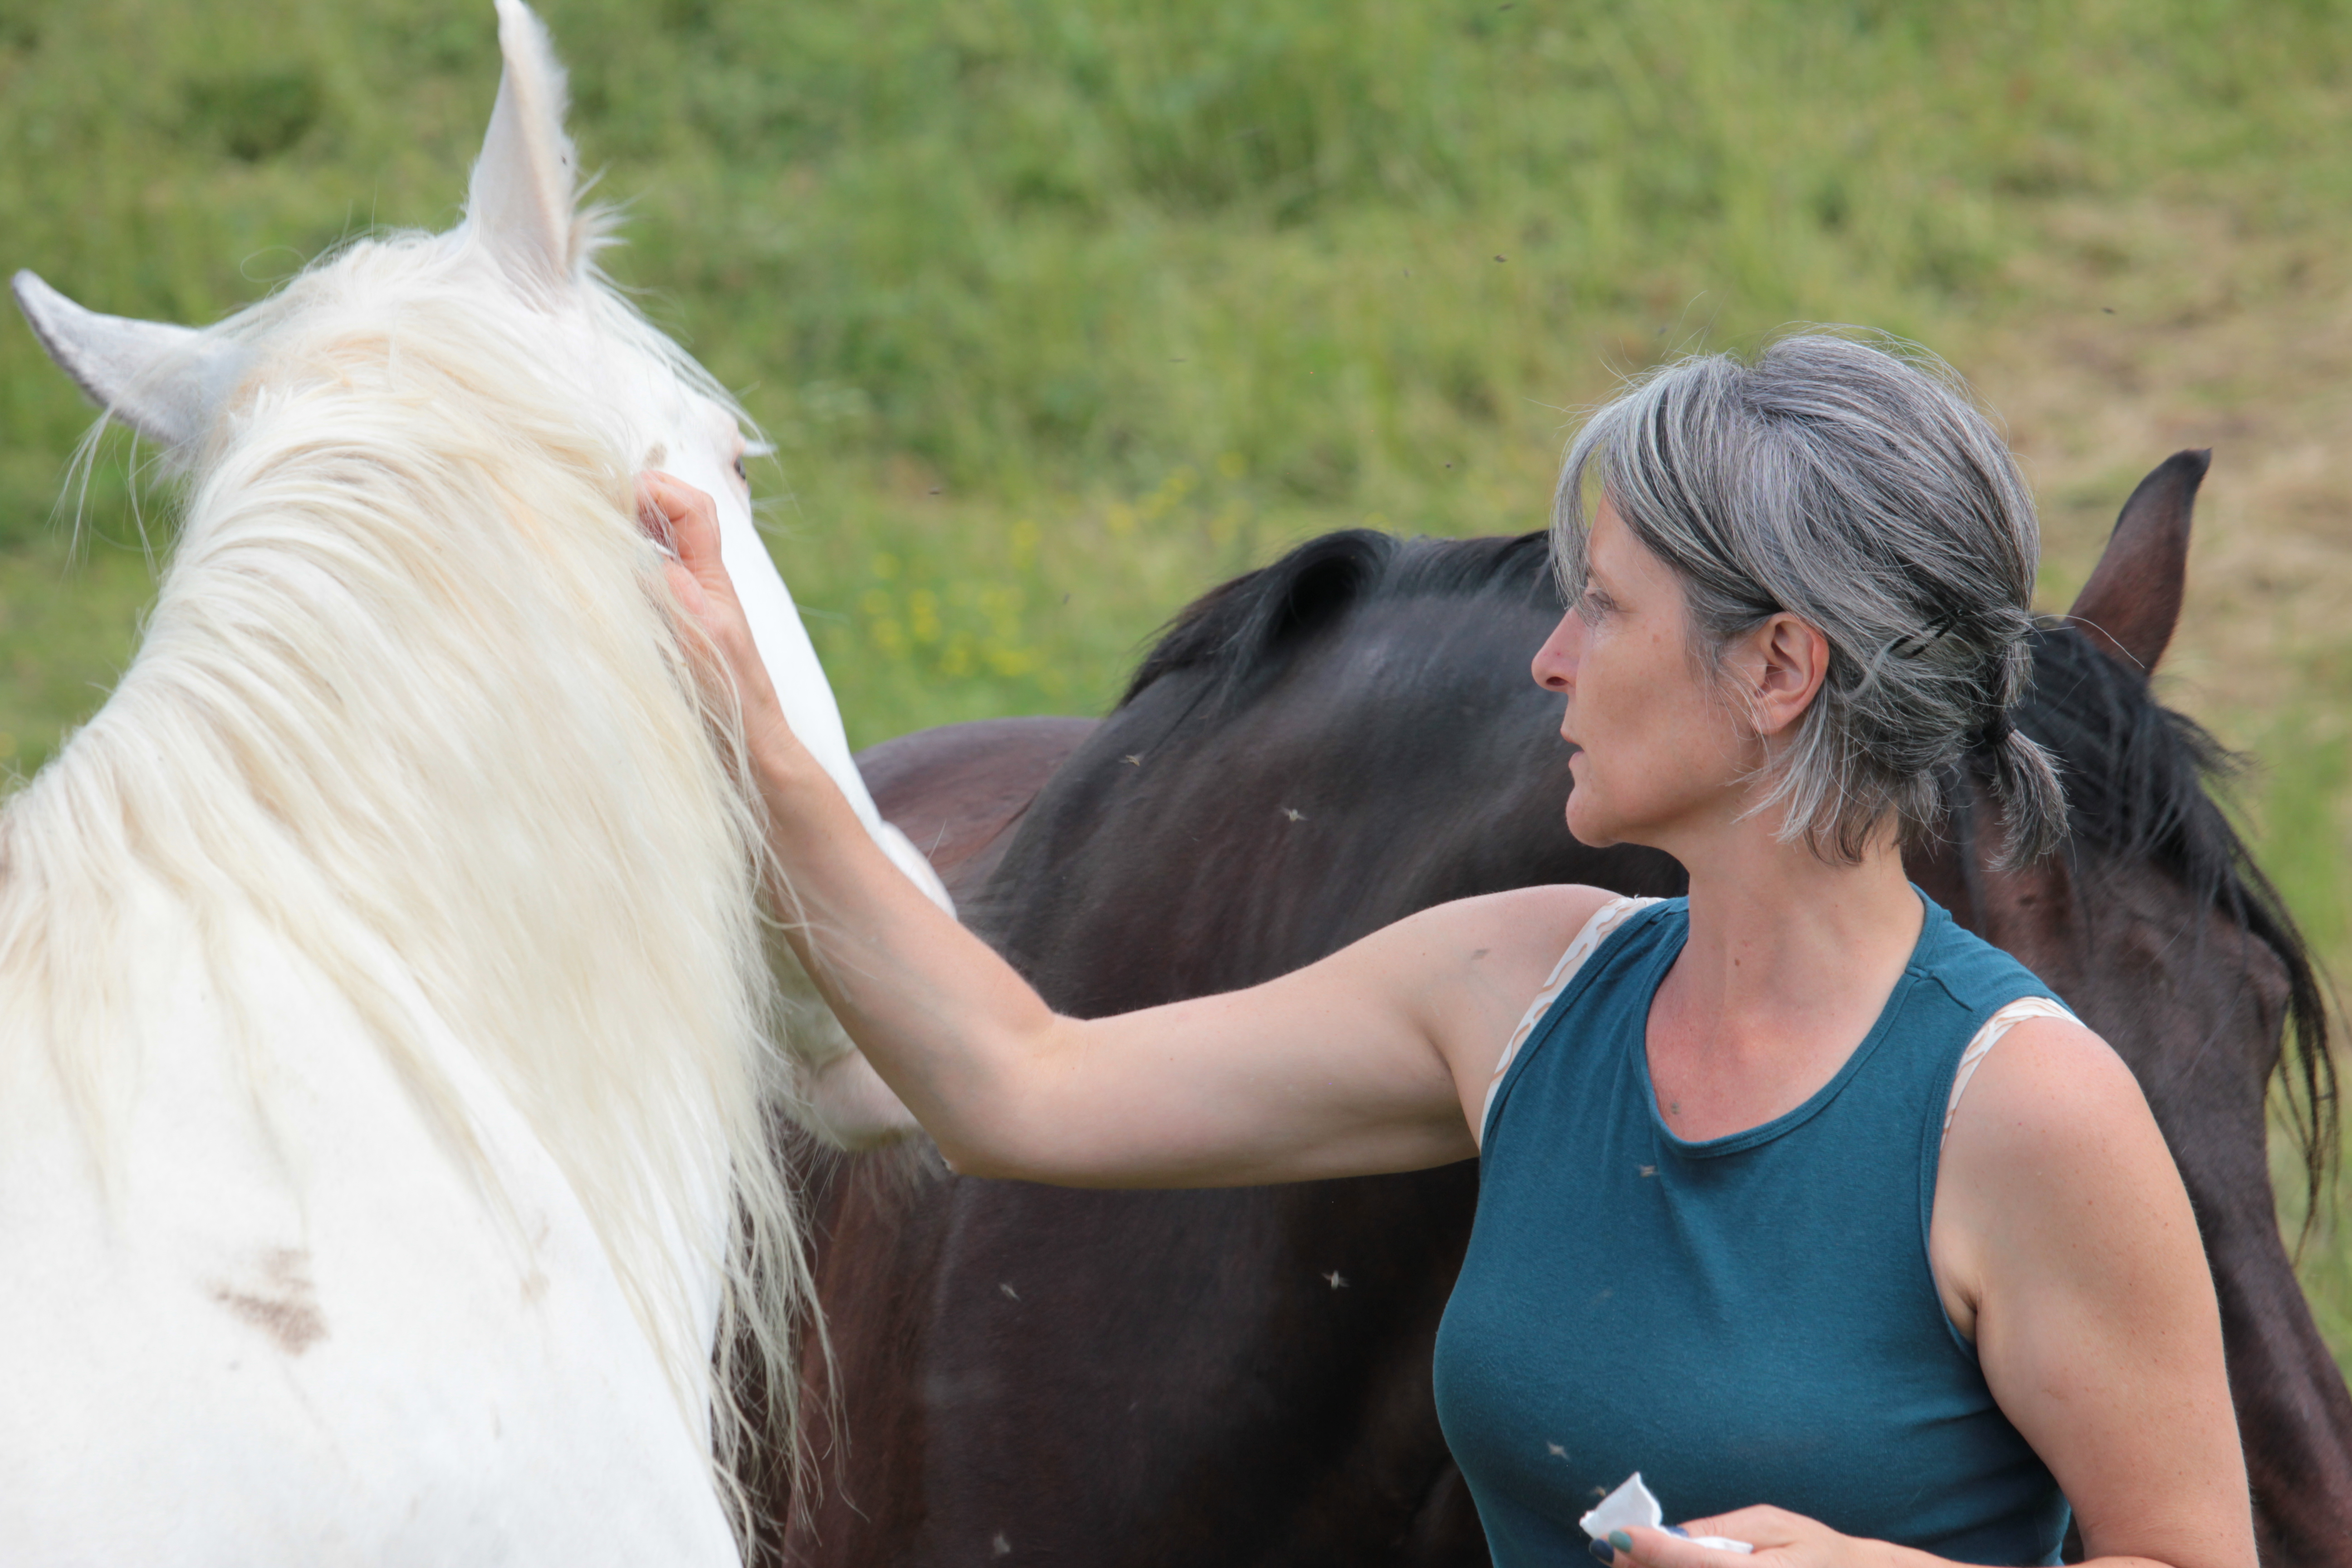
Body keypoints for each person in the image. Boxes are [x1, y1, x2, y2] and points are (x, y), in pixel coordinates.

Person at [638, 332, 2253, 1568]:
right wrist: (757, 731)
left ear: (1779, 669)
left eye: (1604, 609)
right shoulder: (1520, 991)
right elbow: (1020, 1081)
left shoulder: (2025, 1110)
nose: (1549, 661)